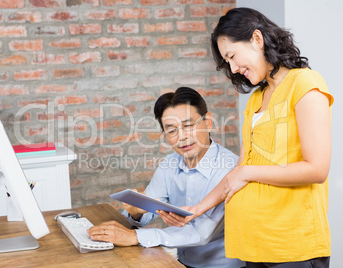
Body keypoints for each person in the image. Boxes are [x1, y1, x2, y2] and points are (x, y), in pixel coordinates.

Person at [161, 8, 334, 267]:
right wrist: (195, 210)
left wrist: (248, 172)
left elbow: (316, 169)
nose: (232, 68)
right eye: (226, 62)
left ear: (256, 39)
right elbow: (239, 172)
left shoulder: (305, 84)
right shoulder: (256, 99)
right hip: (253, 245)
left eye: (232, 56)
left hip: (292, 247)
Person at [87, 87, 244, 268]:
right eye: (172, 131)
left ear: (208, 122)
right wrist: (136, 210)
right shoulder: (170, 164)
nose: (182, 137)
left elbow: (201, 234)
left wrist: (134, 237)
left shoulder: (230, 169)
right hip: (179, 262)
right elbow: (148, 209)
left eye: (188, 126)